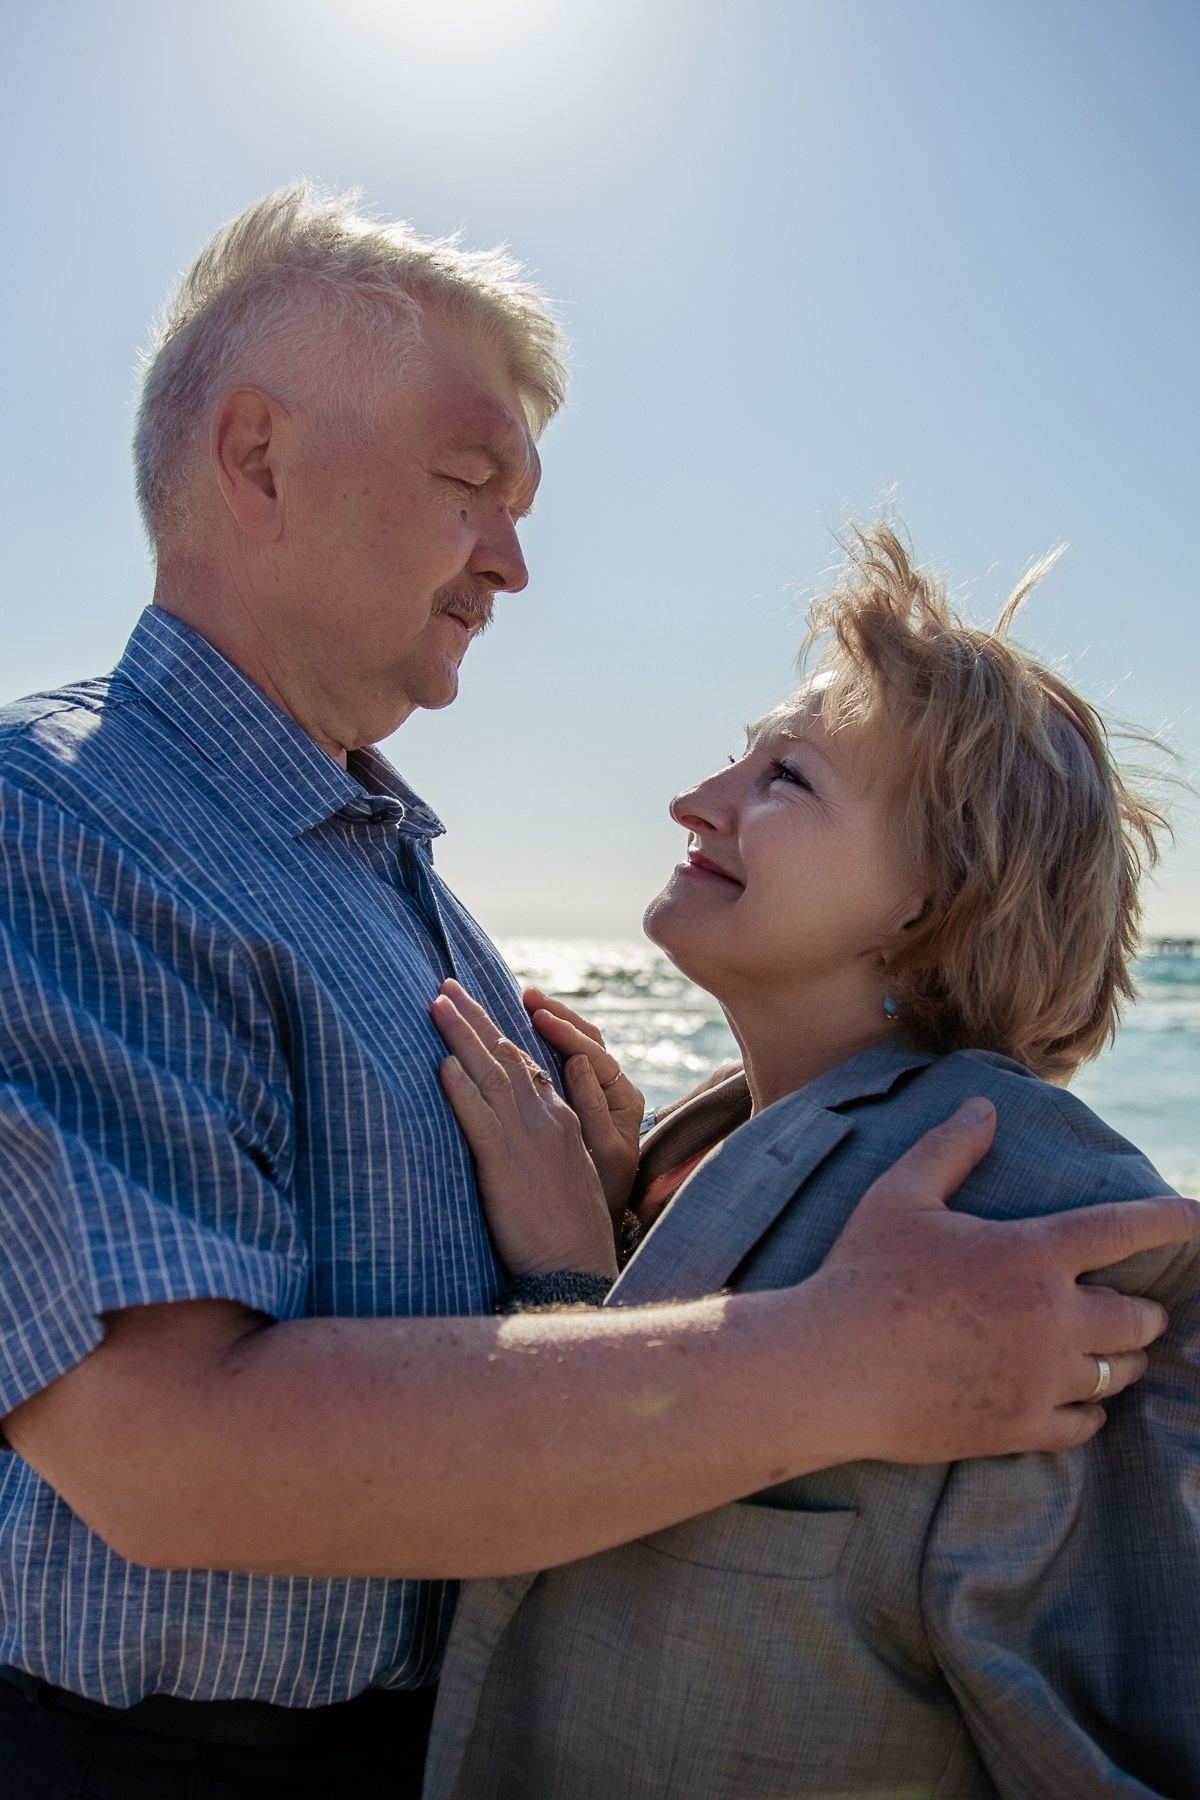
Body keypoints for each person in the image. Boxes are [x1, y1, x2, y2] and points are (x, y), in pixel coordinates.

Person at [0, 187, 1192, 1800]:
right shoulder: (64, 815)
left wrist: (614, 1248)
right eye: (472, 481)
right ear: (261, 457)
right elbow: (159, 1452)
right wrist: (829, 1357)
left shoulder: (412, 897)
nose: (514, 558)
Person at [423, 528, 1200, 1800]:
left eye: (783, 777)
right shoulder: (688, 1151)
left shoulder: (1029, 1202)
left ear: (933, 893)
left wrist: (564, 1294)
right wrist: (611, 1248)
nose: (696, 800)